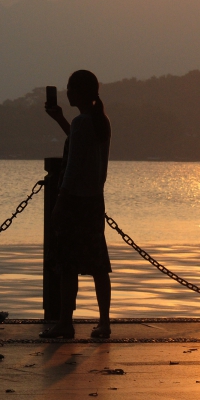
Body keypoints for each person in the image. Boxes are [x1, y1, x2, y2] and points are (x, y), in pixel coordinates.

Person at [41, 70, 113, 339]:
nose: (67, 92)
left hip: (75, 201)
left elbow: (72, 166)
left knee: (67, 264)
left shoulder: (84, 122)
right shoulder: (99, 121)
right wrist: (60, 118)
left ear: (81, 92)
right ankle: (104, 322)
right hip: (95, 200)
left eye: (71, 88)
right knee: (97, 265)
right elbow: (80, 142)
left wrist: (60, 200)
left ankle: (64, 322)